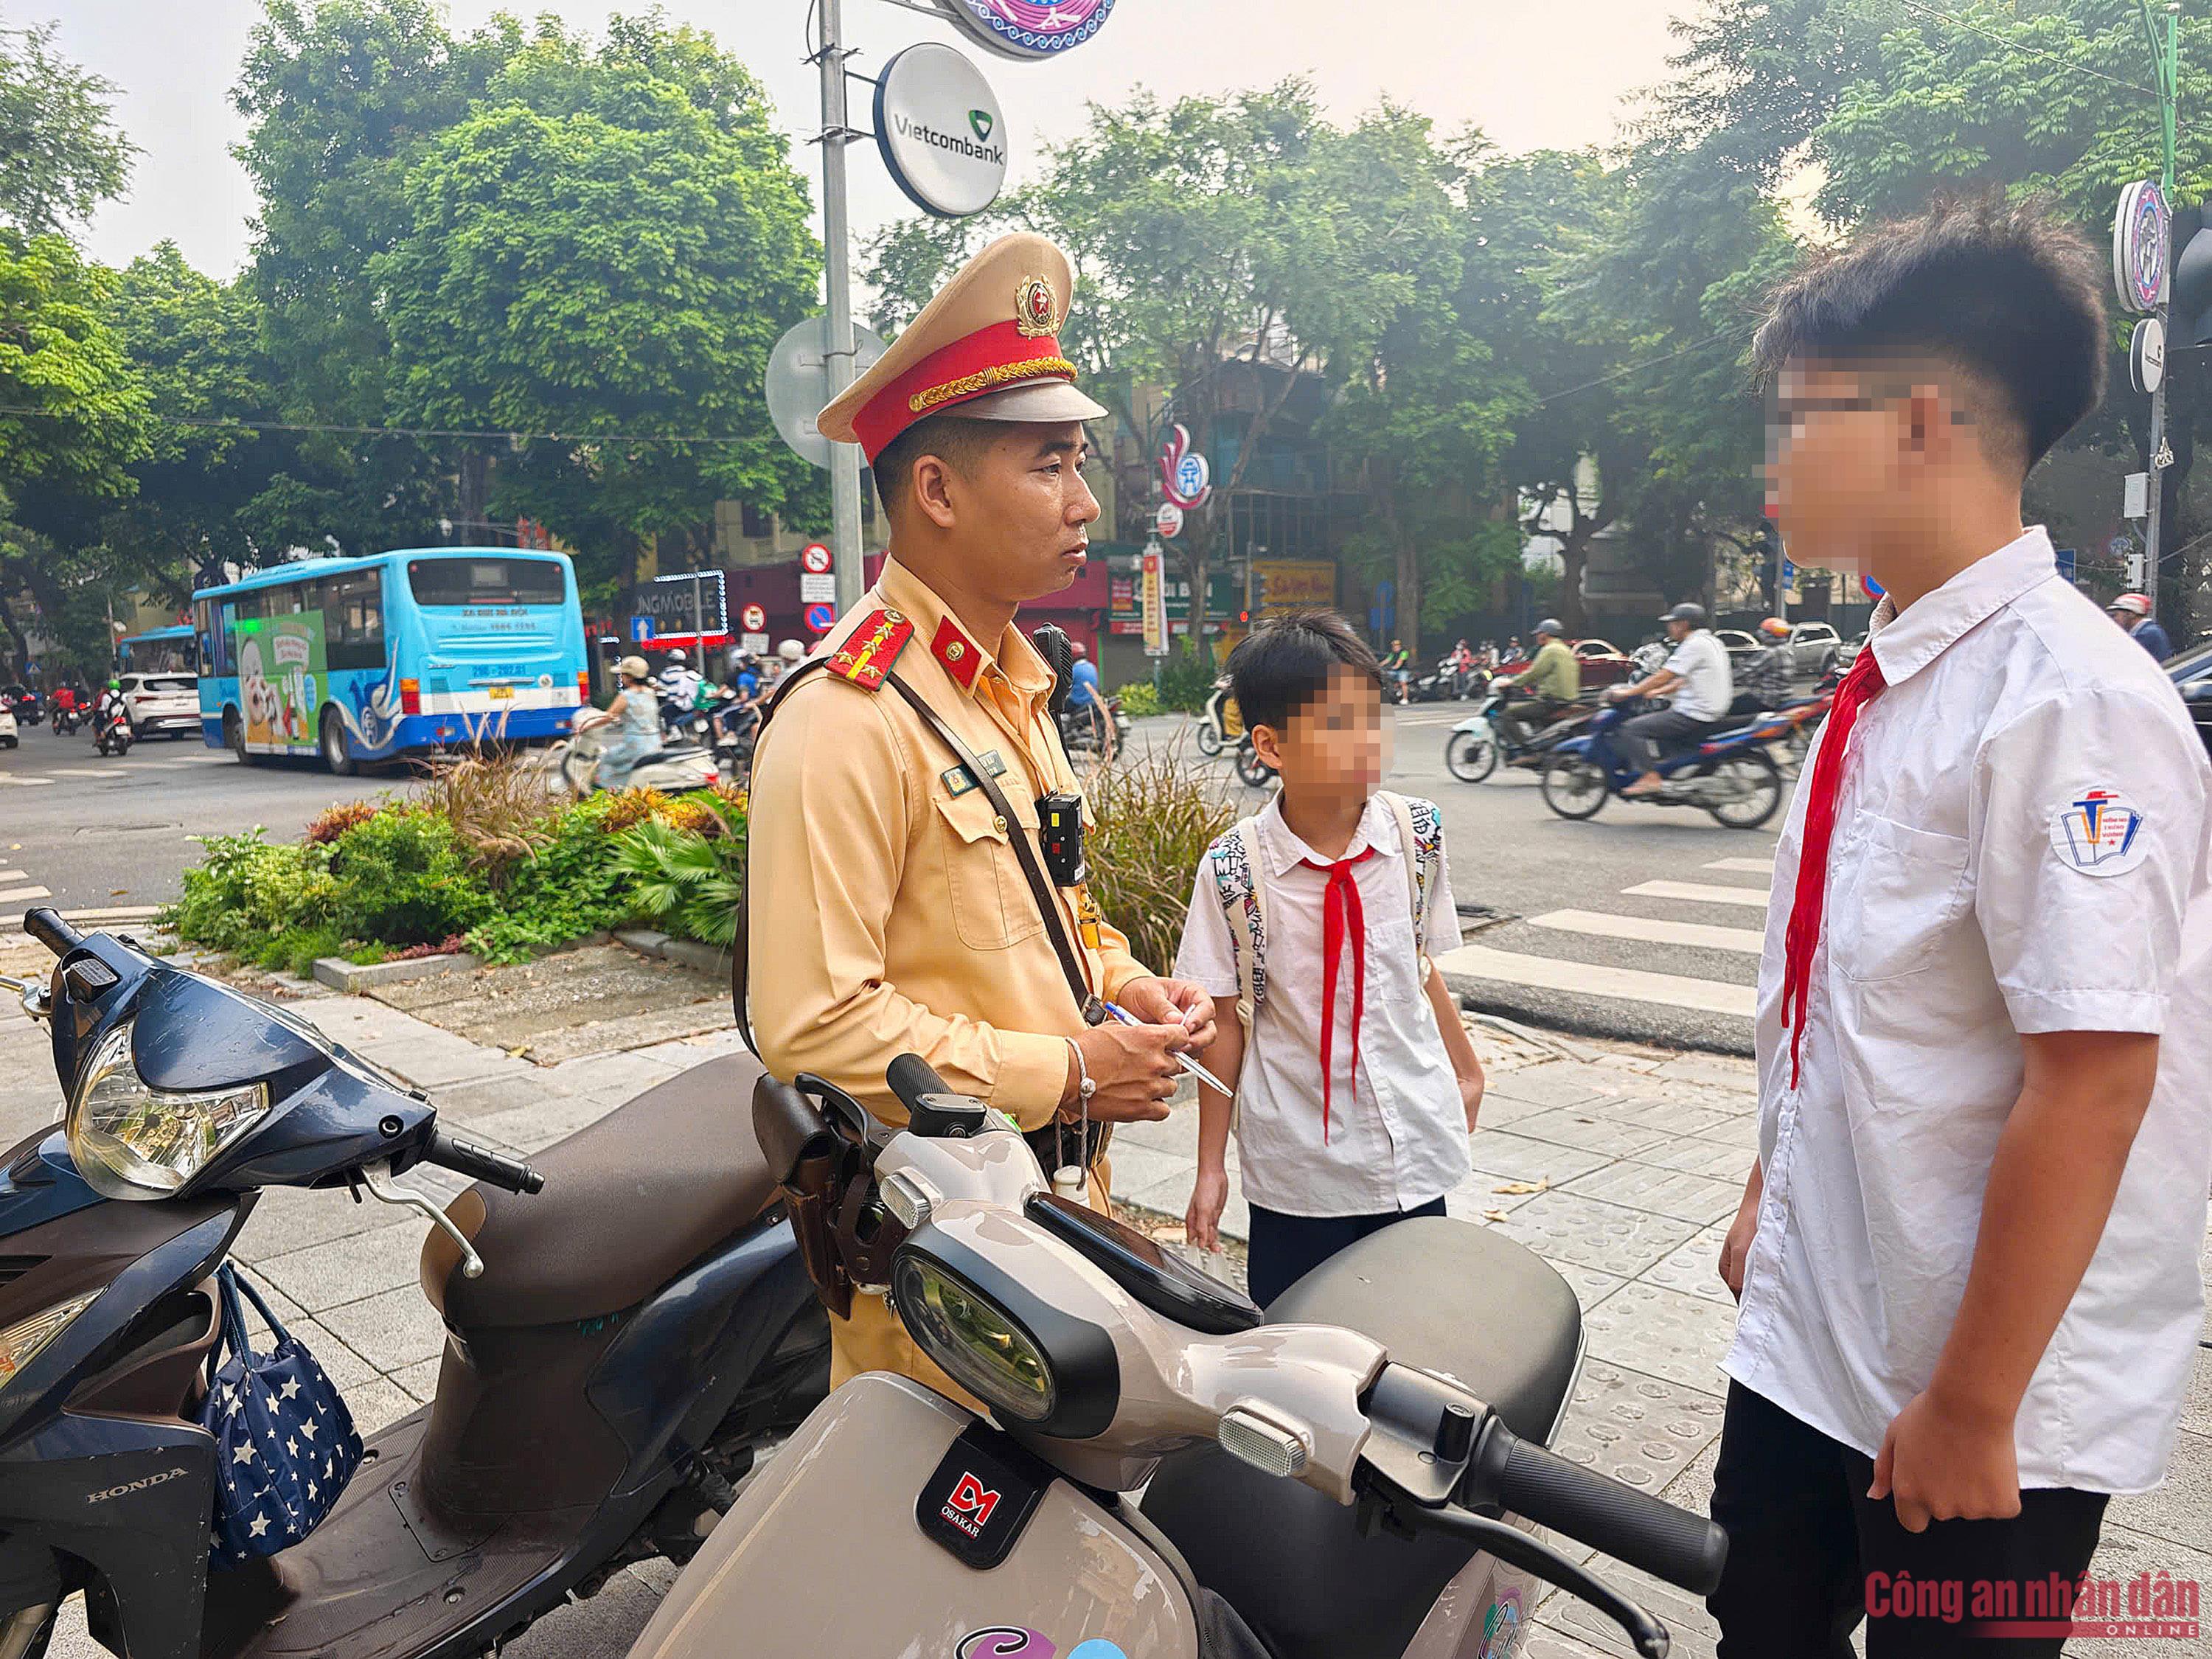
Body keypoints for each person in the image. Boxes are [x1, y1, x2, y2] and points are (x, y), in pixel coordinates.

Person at [1708, 195, 2211, 1658]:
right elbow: (1848, 996)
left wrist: (1975, 1408)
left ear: (1924, 422)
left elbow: (2097, 1075)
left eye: (1799, 421)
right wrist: (1768, 1194)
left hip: (1985, 1398)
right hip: (1818, 1333)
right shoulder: (1889, 685)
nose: (1771, 469)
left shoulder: (2068, 701)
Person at [745, 232, 1217, 1405]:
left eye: (1079, 461)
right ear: (938, 489)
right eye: (1051, 464)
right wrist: (1068, 1069)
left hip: (1052, 1219)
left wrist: (1125, 984)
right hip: (937, 1269)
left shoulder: (1017, 688)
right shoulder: (846, 716)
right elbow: (809, 1023)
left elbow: (1052, 910)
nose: (1086, 499)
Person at [1172, 611, 1484, 1307]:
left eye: (1374, 717)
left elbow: (1419, 962)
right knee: (1303, 1345)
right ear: (1271, 745)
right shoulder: (1235, 870)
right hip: (1300, 1172)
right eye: (1340, 724)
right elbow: (1224, 1022)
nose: (1368, 741)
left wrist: (1467, 1071)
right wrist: (1210, 1167)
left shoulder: (1417, 836)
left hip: (1411, 1149)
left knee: (1409, 1343)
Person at [1606, 602, 1732, 796]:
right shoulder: (1712, 642)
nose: (1669, 627)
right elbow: (1686, 677)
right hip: (1712, 708)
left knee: (1632, 729)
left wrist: (1630, 693)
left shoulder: (1693, 645)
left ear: (1683, 624)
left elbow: (1664, 674)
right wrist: (1659, 691)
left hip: (1695, 712)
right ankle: (1672, 774)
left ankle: (1649, 777)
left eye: (1672, 623)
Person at [1495, 617, 1580, 745]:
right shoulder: (1566, 650)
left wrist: (1512, 683)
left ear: (1545, 634)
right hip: (1567, 700)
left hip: (1551, 701)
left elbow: (1535, 672)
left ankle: (1526, 750)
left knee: (1507, 715)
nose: (1537, 636)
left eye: (1539, 633)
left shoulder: (1550, 650)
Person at [594, 656, 661, 790]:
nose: (621, 678)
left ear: (630, 677)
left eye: (623, 675)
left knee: (605, 759)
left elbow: (608, 716)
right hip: (655, 744)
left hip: (635, 746)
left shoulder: (626, 696)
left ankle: (607, 791)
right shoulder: (650, 693)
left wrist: (588, 726)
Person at [1733, 616, 1795, 712]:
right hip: (1784, 697)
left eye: (1763, 631)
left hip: (1767, 699)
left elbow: (1745, 670)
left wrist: (1727, 678)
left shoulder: (1769, 653)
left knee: (1732, 707)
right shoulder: (1787, 650)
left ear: (1768, 634)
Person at [2106, 592, 2173, 661]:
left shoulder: (2147, 634)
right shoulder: (2146, 631)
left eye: (2115, 615)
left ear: (2131, 614)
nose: (2113, 619)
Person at [1381, 638, 1412, 702]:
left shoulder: (1404, 652)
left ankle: (1405, 699)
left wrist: (1394, 667)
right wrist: (1378, 666)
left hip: (1403, 671)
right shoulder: (1392, 653)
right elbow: (1387, 660)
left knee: (1403, 683)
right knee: (1384, 677)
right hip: (1394, 671)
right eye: (1394, 646)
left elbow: (1400, 661)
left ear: (1400, 646)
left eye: (1396, 646)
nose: (1395, 647)